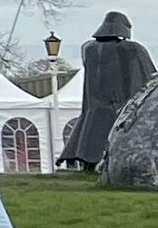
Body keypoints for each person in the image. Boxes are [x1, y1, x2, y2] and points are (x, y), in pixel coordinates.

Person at [61, 11, 150, 171]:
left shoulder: (89, 49)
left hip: (95, 105)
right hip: (120, 105)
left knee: (91, 137)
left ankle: (88, 165)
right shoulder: (132, 49)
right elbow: (149, 77)